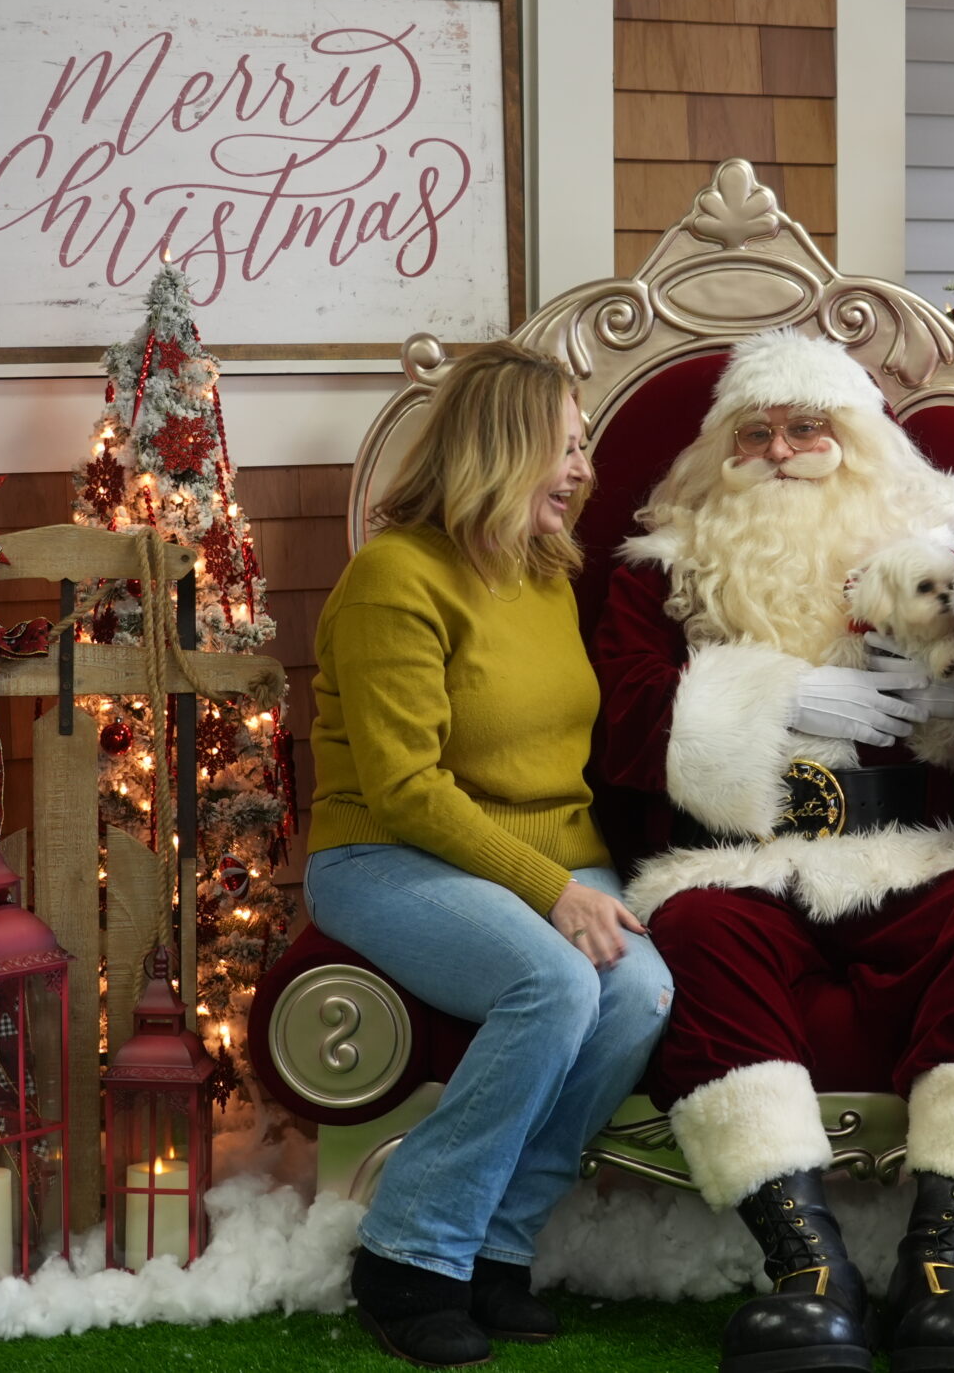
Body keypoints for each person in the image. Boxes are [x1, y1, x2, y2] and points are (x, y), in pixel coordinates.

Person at [594, 328, 954, 1373]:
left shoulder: (933, 558)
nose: (779, 451)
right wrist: (777, 695)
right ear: (719, 451)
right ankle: (806, 1266)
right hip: (738, 857)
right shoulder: (664, 570)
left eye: (808, 428)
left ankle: (944, 1263)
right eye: (753, 433)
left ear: (856, 441)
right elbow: (623, 721)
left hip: (911, 849)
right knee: (698, 937)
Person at [306, 343, 674, 1368]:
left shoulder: (544, 573)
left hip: (550, 850)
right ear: (499, 449)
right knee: (552, 983)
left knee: (637, 992)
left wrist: (572, 880)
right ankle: (408, 1253)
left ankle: (498, 1245)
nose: (584, 469)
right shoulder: (394, 577)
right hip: (386, 853)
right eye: (565, 446)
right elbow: (405, 789)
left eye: (585, 445)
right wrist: (554, 893)